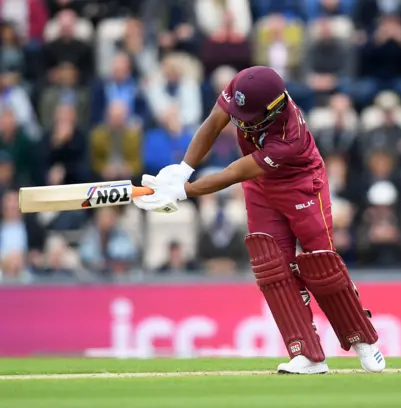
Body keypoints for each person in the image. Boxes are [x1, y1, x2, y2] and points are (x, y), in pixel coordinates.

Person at [133, 66, 384, 375]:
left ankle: (363, 341)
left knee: (321, 265)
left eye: (245, 115)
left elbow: (235, 172)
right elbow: (214, 122)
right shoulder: (243, 87)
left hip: (301, 184)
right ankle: (308, 355)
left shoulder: (288, 137)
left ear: (271, 111)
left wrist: (184, 191)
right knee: (273, 267)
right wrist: (182, 169)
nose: (237, 118)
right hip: (261, 188)